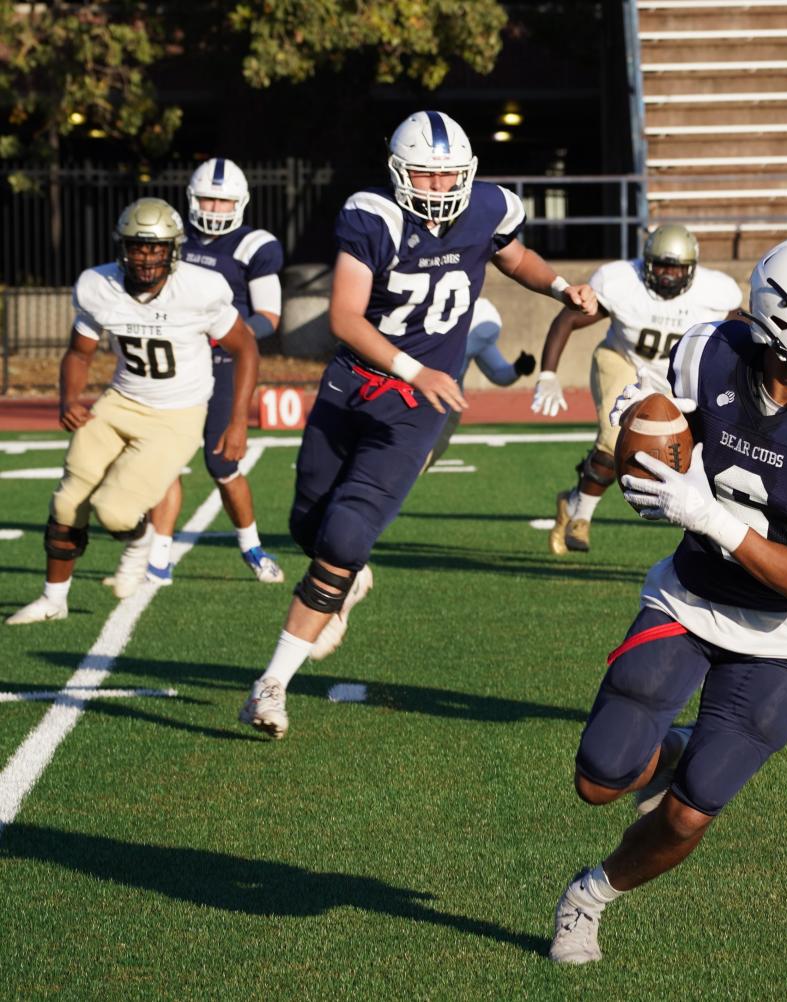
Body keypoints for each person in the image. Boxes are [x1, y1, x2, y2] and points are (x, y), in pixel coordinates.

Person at [547, 234, 787, 966]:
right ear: (786, 316)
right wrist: (645, 441)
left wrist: (706, 515)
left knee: (687, 815)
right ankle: (671, 745)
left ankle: (587, 898)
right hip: (689, 596)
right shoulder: (711, 350)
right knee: (598, 781)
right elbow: (662, 435)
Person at [237, 111, 597, 739]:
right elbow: (346, 318)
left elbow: (516, 258)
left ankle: (270, 686)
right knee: (308, 523)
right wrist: (413, 368)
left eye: (449, 176)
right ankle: (344, 580)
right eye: (426, 177)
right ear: (401, 172)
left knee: (344, 540)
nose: (439, 188)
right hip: (355, 385)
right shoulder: (372, 216)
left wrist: (561, 286)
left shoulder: (487, 208)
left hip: (415, 409)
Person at [6, 198, 257, 625]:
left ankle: (141, 544)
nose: (146, 257)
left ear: (173, 250)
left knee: (116, 512)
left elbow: (246, 348)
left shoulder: (199, 288)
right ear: (122, 247)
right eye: (138, 247)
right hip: (120, 402)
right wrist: (69, 400)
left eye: (156, 248)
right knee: (67, 503)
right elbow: (78, 354)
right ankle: (53, 599)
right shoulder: (98, 286)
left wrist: (237, 421)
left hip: (176, 414)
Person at [106, 158, 285, 598]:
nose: (215, 208)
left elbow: (269, 316)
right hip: (176, 367)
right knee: (164, 459)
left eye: (223, 201)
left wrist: (225, 337)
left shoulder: (254, 246)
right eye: (207, 198)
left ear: (240, 203)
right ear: (191, 199)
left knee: (222, 464)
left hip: (222, 365)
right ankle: (160, 558)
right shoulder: (170, 234)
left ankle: (252, 547)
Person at [531, 224, 740, 554]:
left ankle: (571, 503)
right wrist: (547, 374)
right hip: (622, 360)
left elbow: (741, 337)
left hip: (675, 377)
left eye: (676, 268)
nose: (668, 276)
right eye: (661, 266)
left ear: (692, 269)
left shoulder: (716, 294)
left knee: (704, 449)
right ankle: (580, 518)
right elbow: (569, 319)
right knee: (614, 438)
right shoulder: (621, 282)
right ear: (646, 263)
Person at [423, 296, 536, 468]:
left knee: (425, 458)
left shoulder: (481, 322)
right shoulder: (434, 319)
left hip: (448, 399)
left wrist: (517, 369)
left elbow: (497, 372)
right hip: (417, 390)